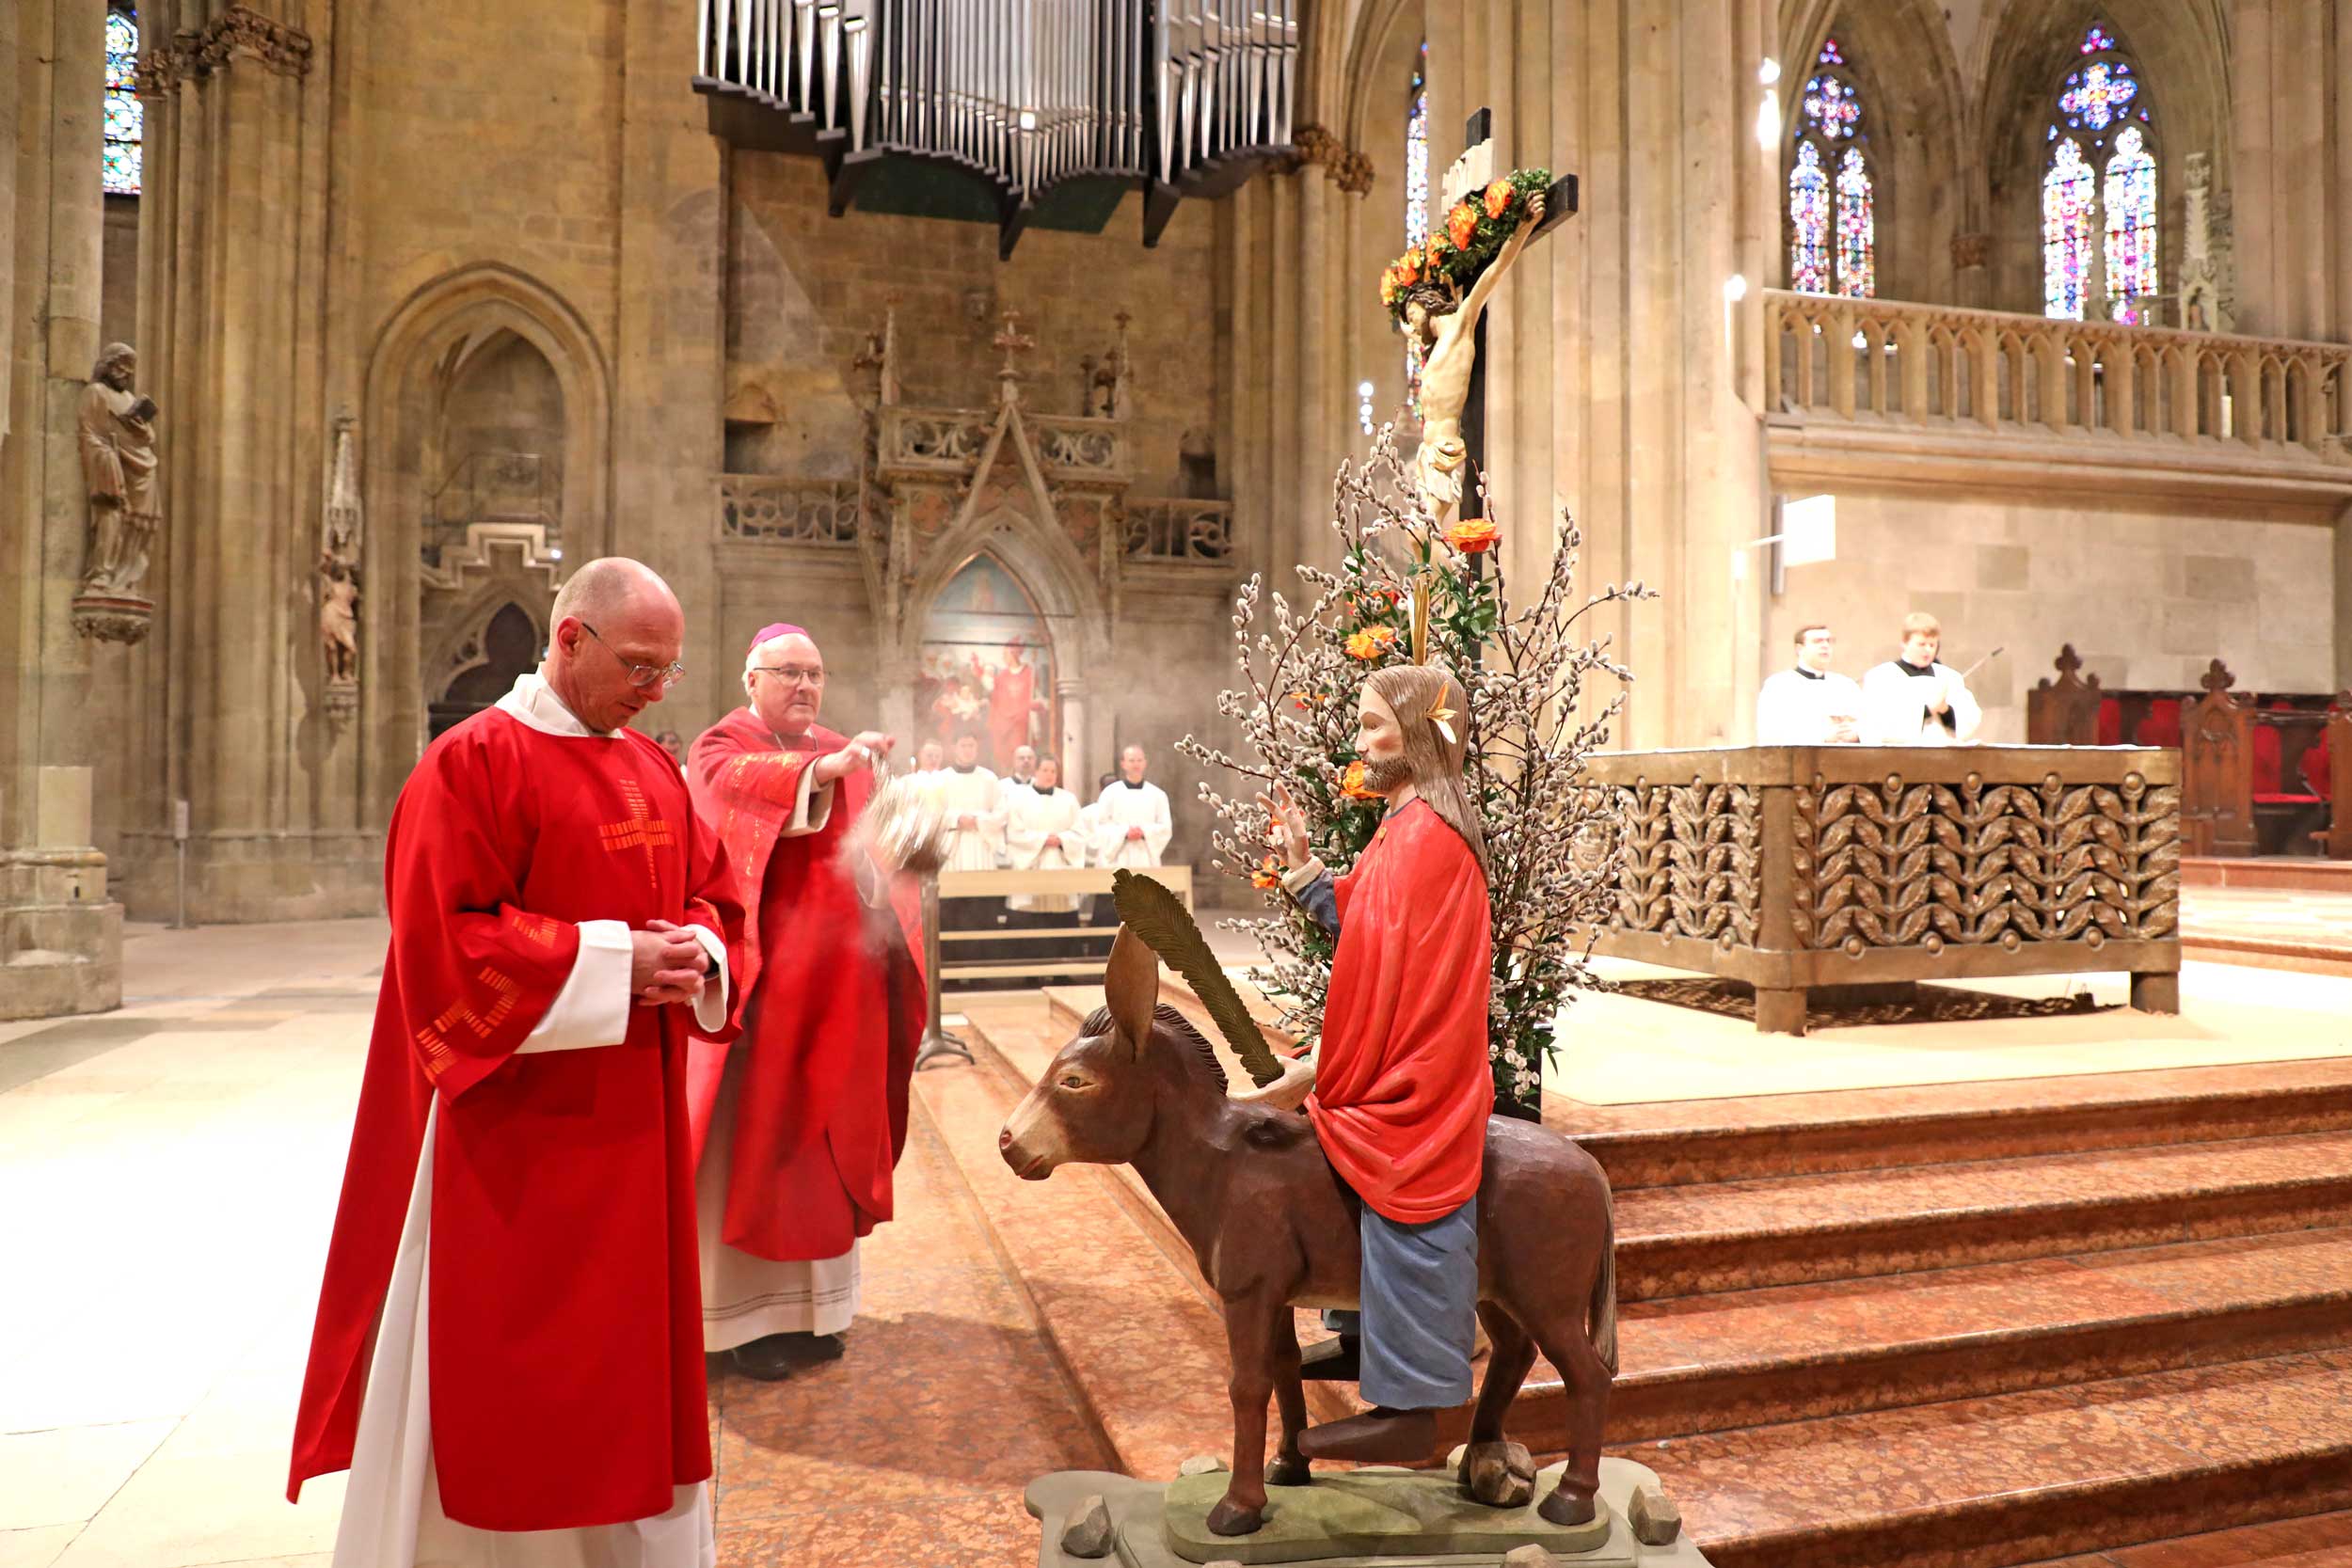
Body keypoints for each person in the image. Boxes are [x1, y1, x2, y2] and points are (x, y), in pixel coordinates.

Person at [289, 557, 745, 1568]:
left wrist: (701, 954)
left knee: (627, 1363)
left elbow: (714, 895)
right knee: (514, 1371)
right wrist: (618, 961)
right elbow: (440, 944)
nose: (654, 690)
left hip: (635, 1132)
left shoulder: (652, 767)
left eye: (668, 670)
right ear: (570, 638)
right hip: (512, 1134)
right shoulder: (471, 762)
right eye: (639, 665)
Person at [1256, 663, 1494, 1465]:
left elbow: (1401, 979)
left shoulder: (1427, 835)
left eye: (1371, 725)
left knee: (1394, 1169)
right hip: (1392, 1055)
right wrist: (1304, 867)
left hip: (1416, 1078)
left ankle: (1414, 1392)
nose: (1359, 743)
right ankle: (1363, 1332)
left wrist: (1325, 1067)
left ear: (1418, 733)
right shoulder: (1406, 822)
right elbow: (1370, 925)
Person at [686, 625, 924, 1381]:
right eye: (788, 672)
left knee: (824, 1153)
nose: (805, 686)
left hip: (840, 990)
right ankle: (740, 1325)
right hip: (764, 995)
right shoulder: (723, 744)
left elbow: (878, 855)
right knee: (759, 1152)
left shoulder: (844, 749)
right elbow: (731, 789)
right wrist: (821, 771)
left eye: (815, 673)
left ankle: (817, 1315)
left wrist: (903, 843)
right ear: (750, 677)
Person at [1862, 612, 1984, 745]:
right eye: (1921, 644)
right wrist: (1927, 711)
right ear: (1905, 643)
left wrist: (1945, 710)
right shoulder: (1882, 676)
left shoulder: (1950, 677)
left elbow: (1968, 720)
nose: (1928, 650)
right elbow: (1875, 724)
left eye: (1932, 645)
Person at [1001, 754, 1086, 917]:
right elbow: (1014, 833)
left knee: (1060, 914)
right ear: (1036, 771)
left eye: (1053, 771)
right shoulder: (1019, 798)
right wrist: (1043, 840)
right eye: (1045, 770)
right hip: (1031, 866)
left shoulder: (1068, 799)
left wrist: (1061, 840)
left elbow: (1079, 833)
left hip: (1060, 865)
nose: (1049, 775)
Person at [1755, 624, 1865, 745]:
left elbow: (1868, 724)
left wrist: (1857, 734)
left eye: (1828, 641)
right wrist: (1823, 738)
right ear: (1799, 649)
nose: (1825, 646)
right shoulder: (1778, 685)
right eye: (1818, 641)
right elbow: (1770, 734)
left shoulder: (1846, 685)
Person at [1091, 743, 1172, 869]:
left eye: (1139, 760)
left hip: (1146, 858)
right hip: (1117, 859)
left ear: (1145, 763)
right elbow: (1099, 826)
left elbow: (1165, 828)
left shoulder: (1158, 795)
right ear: (1123, 764)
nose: (1136, 764)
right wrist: (1125, 832)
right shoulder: (1110, 793)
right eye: (1131, 760)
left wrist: (1144, 832)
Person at [934, 730, 1001, 873]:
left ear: (977, 748)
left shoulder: (989, 778)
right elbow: (934, 813)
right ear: (954, 748)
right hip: (952, 847)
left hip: (982, 844)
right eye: (963, 746)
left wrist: (978, 820)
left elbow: (1001, 812)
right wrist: (956, 818)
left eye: (971, 746)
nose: (967, 750)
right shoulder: (941, 779)